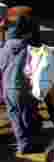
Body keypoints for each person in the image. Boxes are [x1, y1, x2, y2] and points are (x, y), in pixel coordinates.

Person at [0, 16, 43, 153]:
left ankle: (22, 144)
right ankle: (29, 144)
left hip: (7, 88)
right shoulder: (30, 49)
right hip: (23, 88)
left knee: (15, 118)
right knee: (27, 117)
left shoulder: (4, 48)